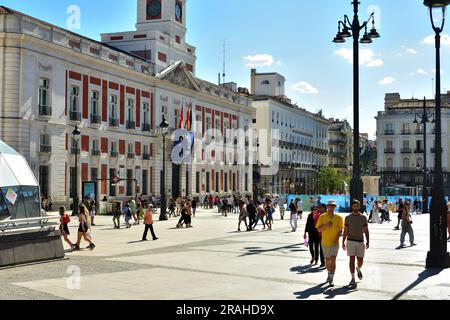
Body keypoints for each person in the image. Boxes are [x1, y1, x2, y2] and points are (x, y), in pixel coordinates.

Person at [315, 200, 344, 287]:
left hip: (335, 243)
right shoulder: (322, 217)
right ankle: (328, 273)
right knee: (328, 260)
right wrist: (326, 226)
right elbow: (318, 229)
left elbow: (340, 230)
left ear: (335, 207)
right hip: (325, 242)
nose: (331, 208)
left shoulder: (339, 217)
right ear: (327, 207)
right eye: (330, 206)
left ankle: (331, 277)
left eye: (333, 206)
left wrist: (336, 238)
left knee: (333, 259)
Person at [342, 200, 370, 287]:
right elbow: (345, 231)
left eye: (357, 206)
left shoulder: (363, 218)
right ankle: (353, 278)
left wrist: (368, 240)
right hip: (350, 241)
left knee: (360, 260)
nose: (356, 207)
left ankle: (358, 268)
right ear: (352, 207)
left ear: (359, 206)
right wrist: (343, 241)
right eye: (354, 206)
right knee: (351, 259)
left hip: (360, 241)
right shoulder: (347, 217)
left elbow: (366, 230)